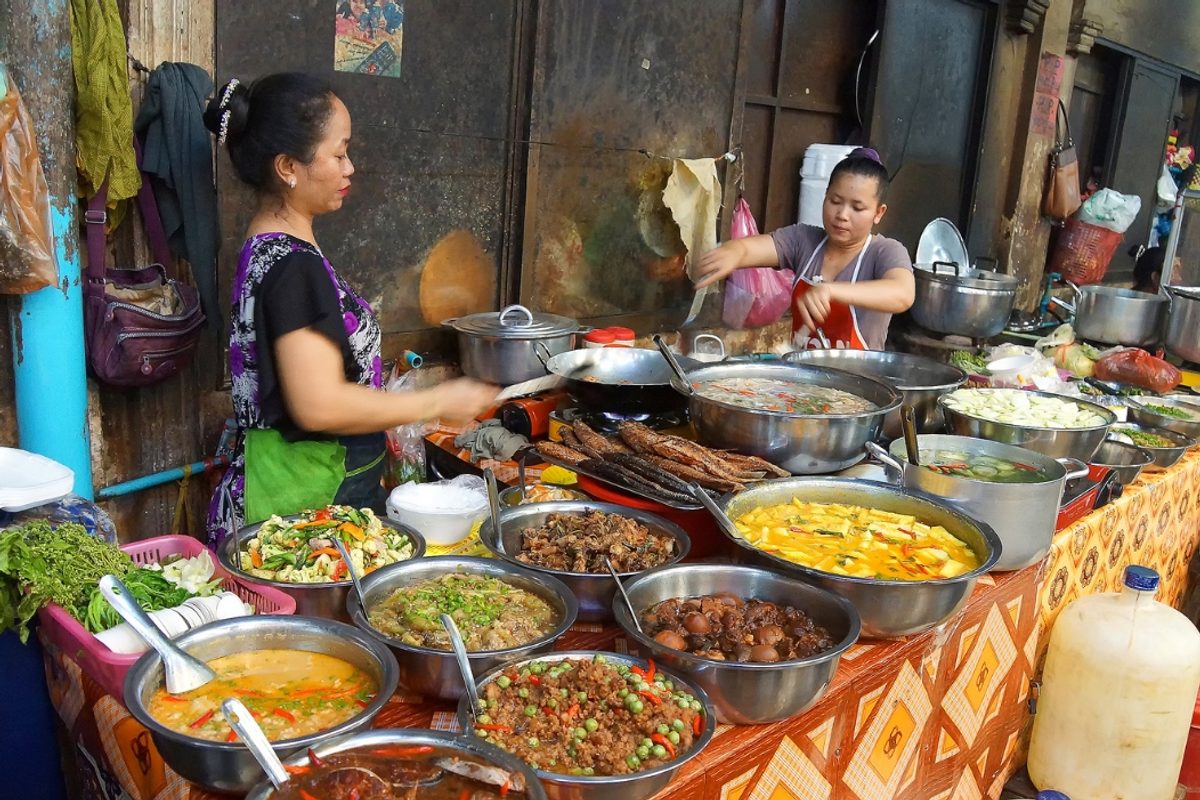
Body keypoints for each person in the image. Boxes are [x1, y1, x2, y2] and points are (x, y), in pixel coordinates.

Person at [203, 73, 497, 548]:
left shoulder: (265, 246)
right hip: (307, 503)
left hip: (294, 484)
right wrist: (439, 402)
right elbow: (318, 403)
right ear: (287, 167)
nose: (350, 168)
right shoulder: (294, 266)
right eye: (338, 154)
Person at [694, 147, 914, 350]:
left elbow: (902, 293)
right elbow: (749, 249)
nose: (842, 215)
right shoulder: (804, 239)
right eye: (835, 201)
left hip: (857, 387)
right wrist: (733, 252)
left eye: (857, 208)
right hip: (803, 380)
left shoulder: (885, 251)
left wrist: (832, 290)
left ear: (878, 213)